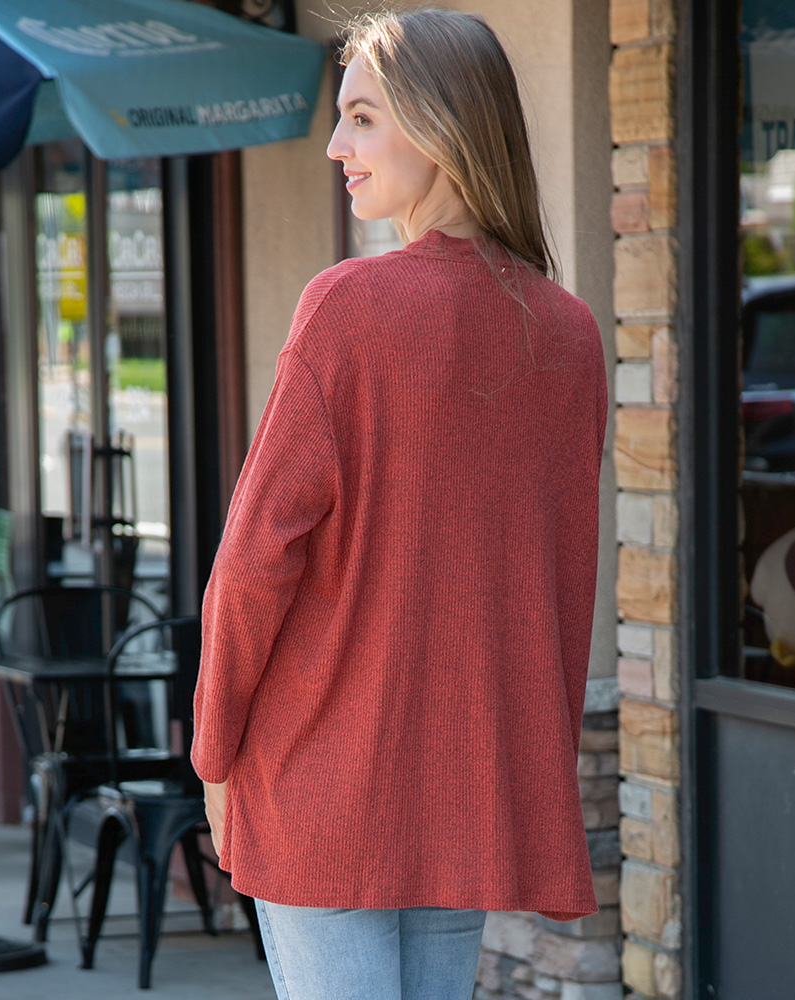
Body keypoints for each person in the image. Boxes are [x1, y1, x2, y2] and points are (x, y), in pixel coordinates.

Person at [191, 9, 607, 1000]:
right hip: (464, 800)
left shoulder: (347, 311)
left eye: (363, 117)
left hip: (321, 789)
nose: (337, 145)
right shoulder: (568, 334)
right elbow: (563, 593)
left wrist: (213, 751)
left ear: (443, 125)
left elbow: (251, 563)